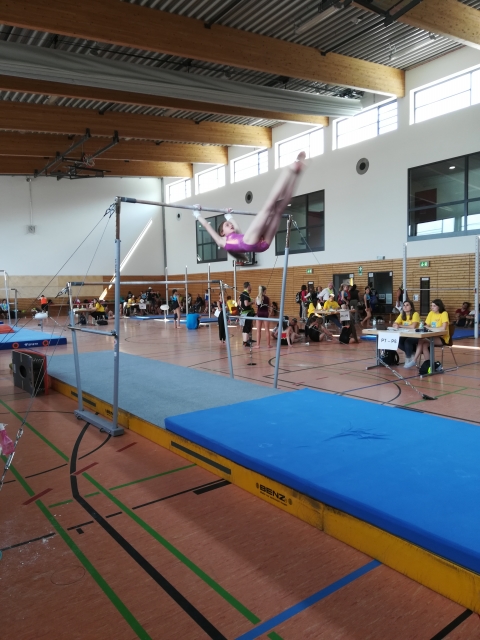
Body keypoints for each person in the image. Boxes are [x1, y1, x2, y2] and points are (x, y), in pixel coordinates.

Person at [193, 152, 306, 261]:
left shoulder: (236, 233)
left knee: (279, 210)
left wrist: (228, 215)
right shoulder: (221, 241)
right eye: (227, 225)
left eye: (229, 224)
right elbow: (207, 226)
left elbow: (233, 221)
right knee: (268, 207)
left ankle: (296, 174)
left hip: (261, 245)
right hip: (250, 242)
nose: (231, 225)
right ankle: (288, 171)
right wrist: (197, 214)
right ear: (222, 233)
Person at [413, 298, 449, 365]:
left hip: (442, 337)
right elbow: (427, 325)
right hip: (432, 336)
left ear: (439, 306)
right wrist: (424, 326)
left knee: (421, 340)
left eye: (434, 306)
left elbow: (443, 328)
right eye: (431, 306)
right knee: (424, 345)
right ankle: (428, 364)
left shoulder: (444, 313)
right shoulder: (431, 313)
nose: (432, 307)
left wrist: (430, 328)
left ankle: (414, 360)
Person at [393, 300, 420, 369]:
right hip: (405, 335)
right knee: (397, 341)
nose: (405, 307)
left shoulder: (415, 314)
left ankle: (408, 358)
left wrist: (400, 325)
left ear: (411, 307)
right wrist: (396, 325)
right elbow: (395, 323)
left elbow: (413, 326)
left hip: (416, 335)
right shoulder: (402, 314)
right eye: (404, 305)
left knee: (408, 341)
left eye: (407, 305)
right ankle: (411, 353)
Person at [240, 282, 255, 347]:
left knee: (245, 327)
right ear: (248, 286)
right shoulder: (246, 294)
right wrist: (252, 302)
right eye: (250, 286)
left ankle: (245, 341)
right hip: (247, 313)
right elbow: (246, 304)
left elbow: (240, 303)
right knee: (247, 327)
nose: (251, 287)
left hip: (244, 312)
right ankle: (245, 342)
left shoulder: (242, 293)